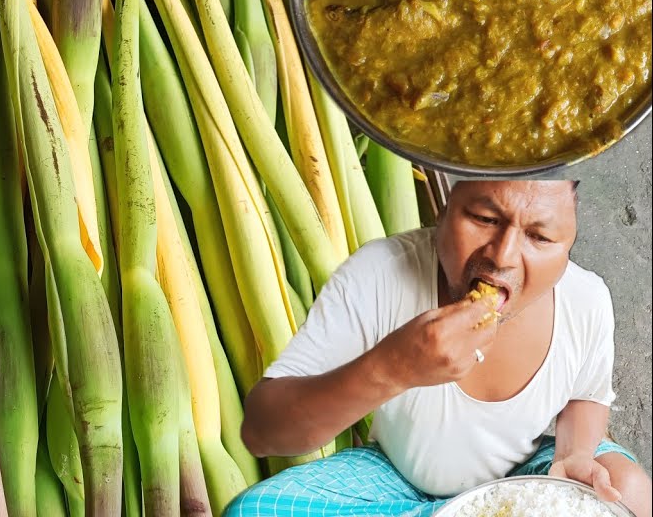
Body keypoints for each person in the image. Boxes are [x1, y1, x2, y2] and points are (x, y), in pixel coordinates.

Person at [227, 180, 651, 517]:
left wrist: (574, 454)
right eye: (485, 218)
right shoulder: (380, 274)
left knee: (629, 492)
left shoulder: (586, 299)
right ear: (443, 210)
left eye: (540, 237)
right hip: (396, 478)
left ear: (568, 244)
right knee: (252, 511)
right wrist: (392, 367)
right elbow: (262, 431)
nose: (503, 257)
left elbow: (587, 394)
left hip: (530, 471)